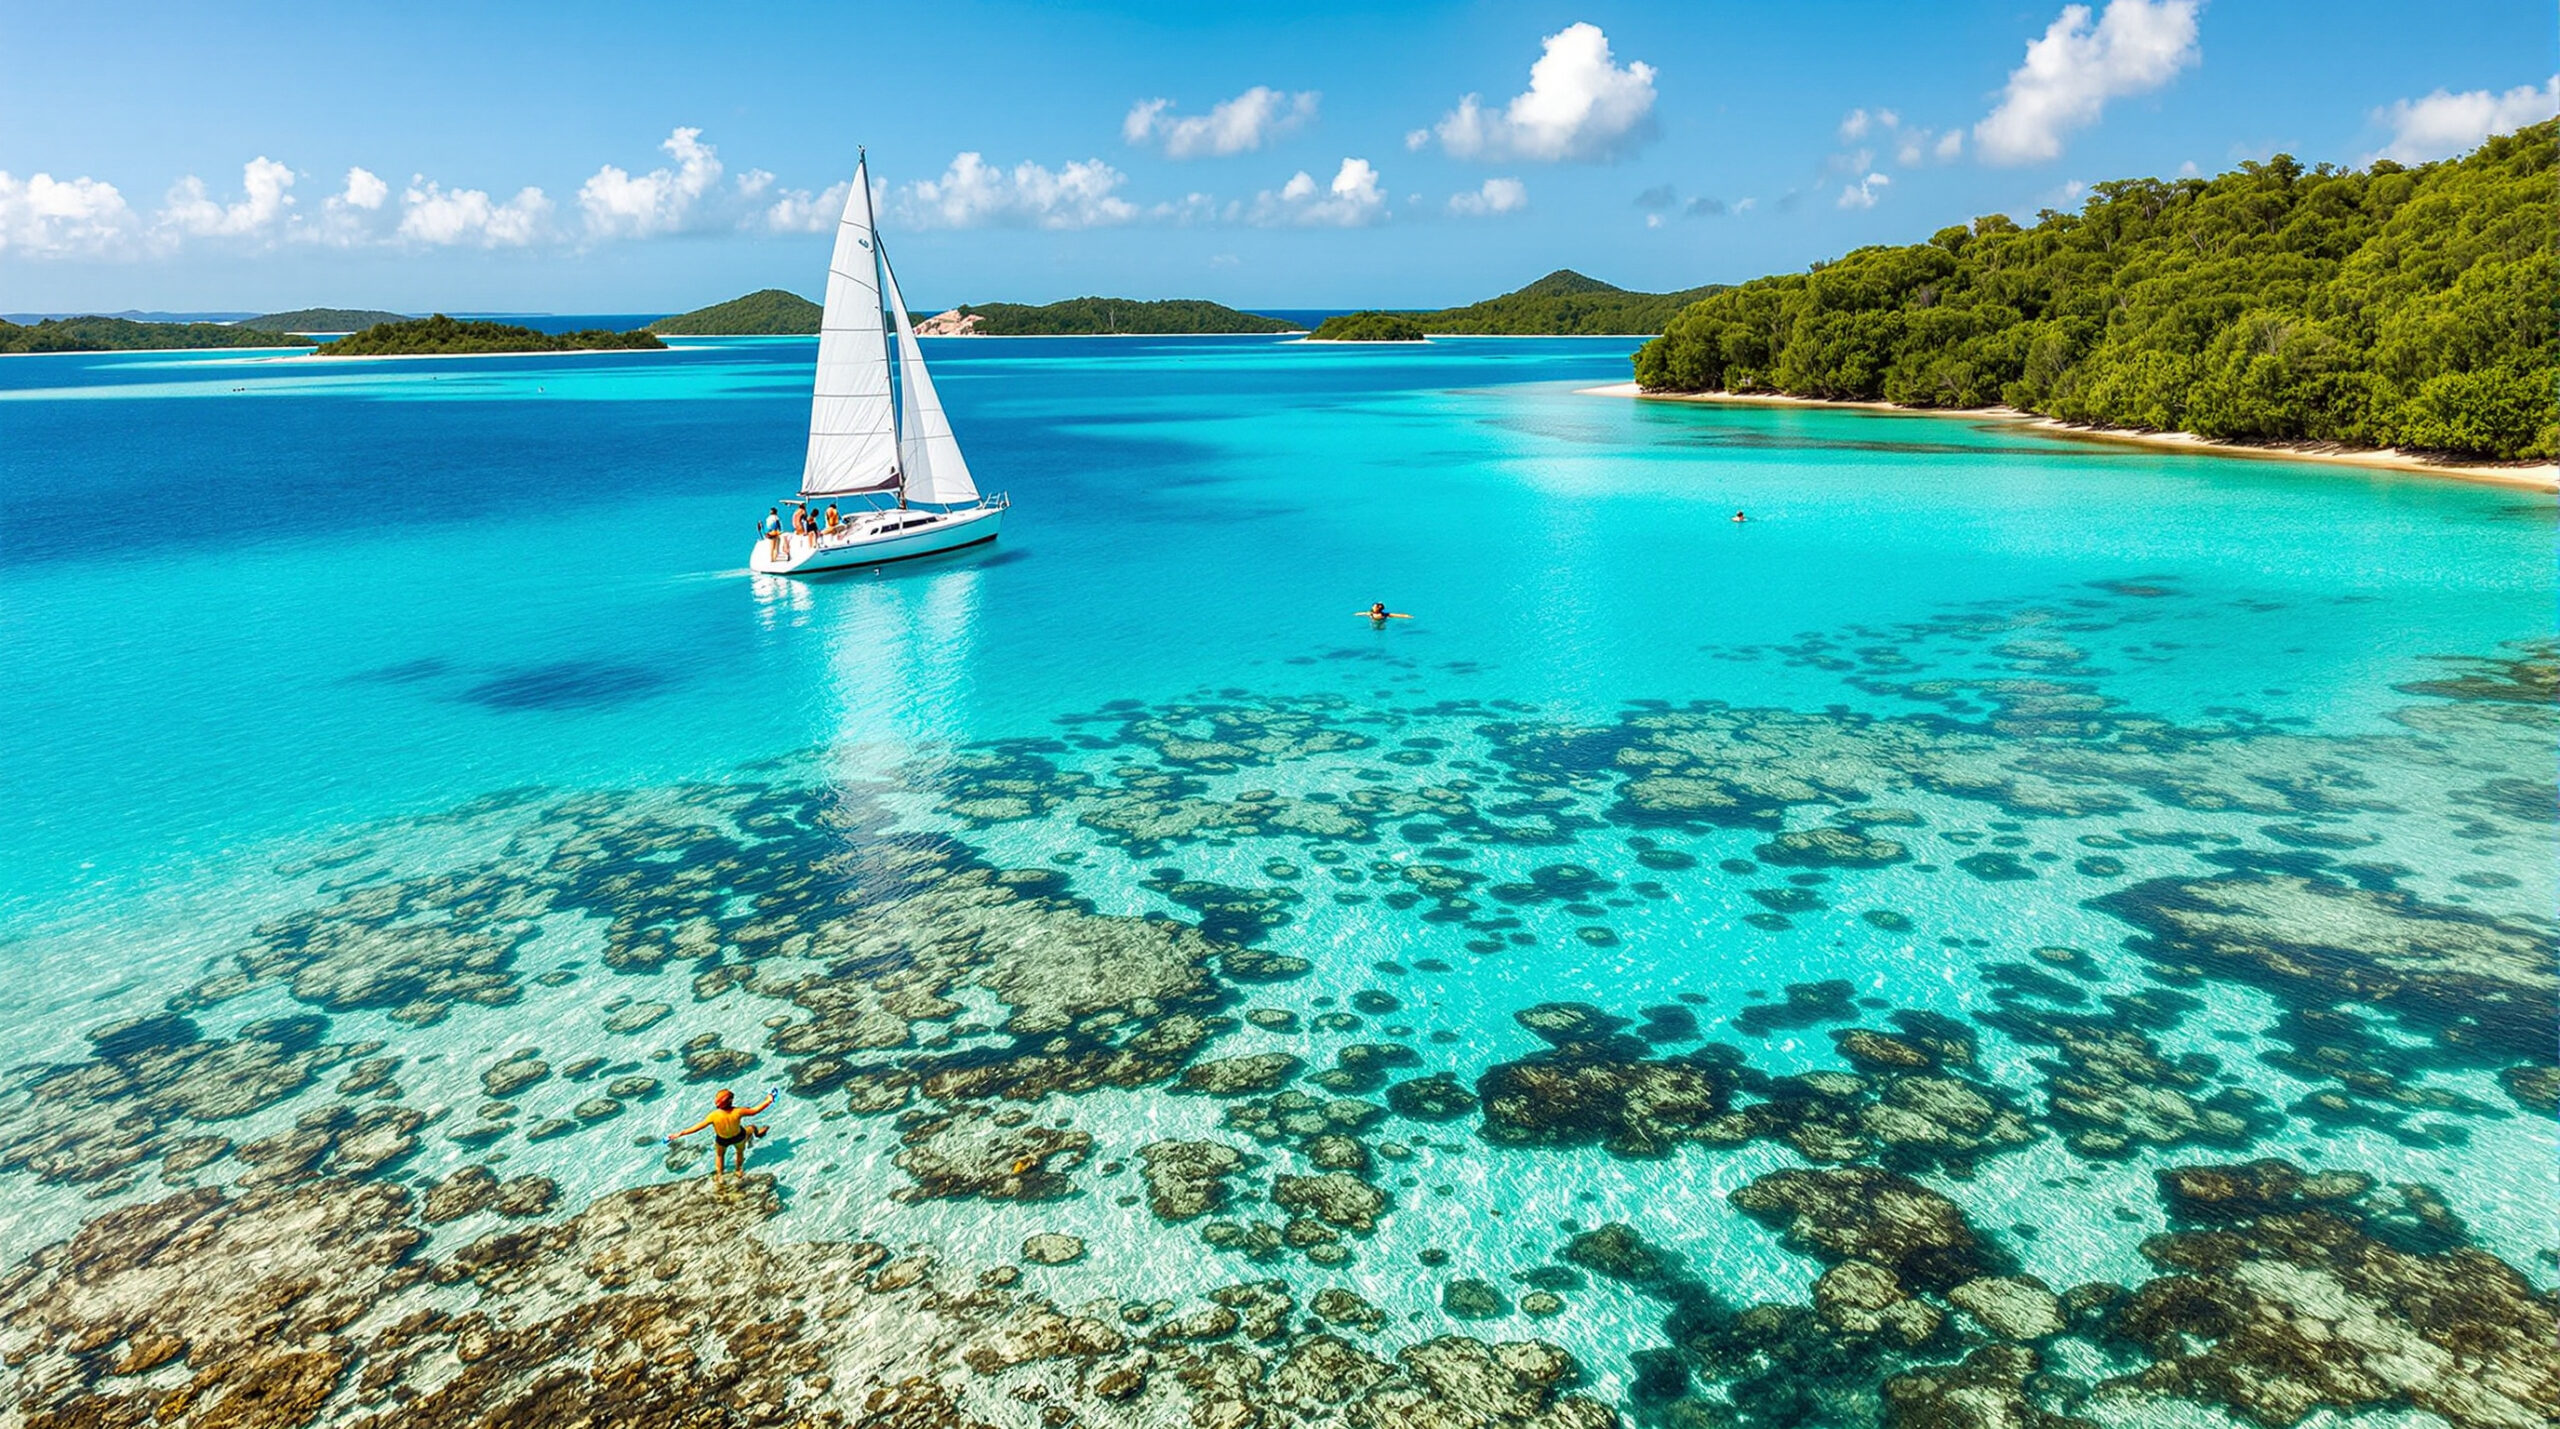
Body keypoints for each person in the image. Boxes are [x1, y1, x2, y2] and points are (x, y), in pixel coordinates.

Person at [669, 1088, 774, 1179]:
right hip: (738, 1137)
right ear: (731, 1101)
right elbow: (755, 1110)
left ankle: (719, 1175)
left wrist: (680, 1133)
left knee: (720, 1155)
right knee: (742, 1146)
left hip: (722, 1140)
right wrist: (768, 1100)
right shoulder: (738, 1111)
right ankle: (738, 1170)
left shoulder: (713, 1115)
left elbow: (697, 1127)